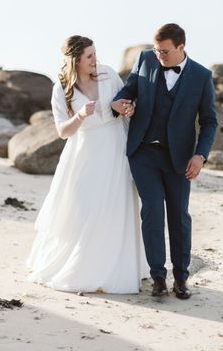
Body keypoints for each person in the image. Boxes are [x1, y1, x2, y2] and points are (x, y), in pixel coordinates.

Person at [26, 35, 148, 293]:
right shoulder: (62, 88)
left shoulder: (108, 74)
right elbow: (62, 131)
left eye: (95, 54)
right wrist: (80, 115)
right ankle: (80, 265)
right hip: (85, 153)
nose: (95, 60)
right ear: (76, 60)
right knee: (83, 207)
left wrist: (127, 108)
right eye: (89, 56)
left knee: (116, 206)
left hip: (116, 149)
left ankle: (117, 266)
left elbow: (125, 106)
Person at [111, 23, 218, 299]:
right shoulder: (145, 59)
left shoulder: (201, 77)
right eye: (157, 50)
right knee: (153, 210)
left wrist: (200, 154)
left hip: (180, 158)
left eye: (165, 51)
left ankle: (181, 278)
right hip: (143, 152)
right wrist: (120, 104)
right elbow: (128, 91)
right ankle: (158, 276)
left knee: (179, 216)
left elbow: (209, 122)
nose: (160, 56)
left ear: (182, 47)